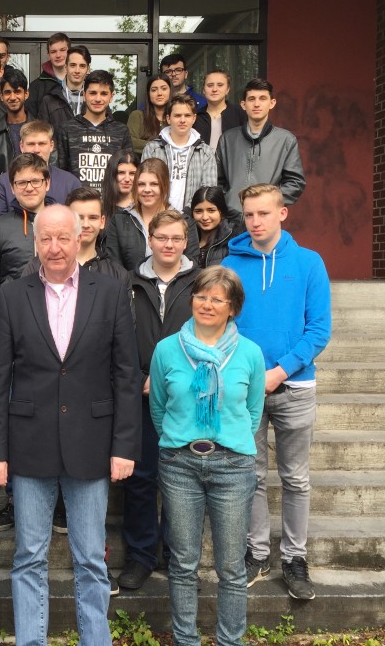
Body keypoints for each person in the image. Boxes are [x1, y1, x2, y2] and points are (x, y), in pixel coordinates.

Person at [0, 203, 141, 646]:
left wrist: (124, 446)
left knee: (91, 558)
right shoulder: (13, 294)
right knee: (28, 556)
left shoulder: (109, 292)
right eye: (45, 239)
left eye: (63, 238)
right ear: (36, 243)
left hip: (92, 446)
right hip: (29, 446)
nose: (54, 247)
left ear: (80, 238)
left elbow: (125, 375)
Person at [221, 184, 331, 601]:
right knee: (250, 476)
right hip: (246, 389)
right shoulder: (231, 264)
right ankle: (258, 553)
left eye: (264, 214)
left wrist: (281, 370)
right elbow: (223, 324)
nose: (255, 222)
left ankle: (295, 558)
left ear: (282, 214)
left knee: (296, 478)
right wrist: (248, 374)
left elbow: (318, 328)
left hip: (296, 387)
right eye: (249, 215)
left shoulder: (308, 263)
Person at [149, 266, 266, 646]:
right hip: (179, 464)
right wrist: (179, 437)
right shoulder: (167, 350)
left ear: (232, 307)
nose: (207, 304)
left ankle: (230, 640)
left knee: (231, 567)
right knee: (183, 564)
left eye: (218, 298)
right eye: (201, 296)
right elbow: (159, 409)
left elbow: (252, 412)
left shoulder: (250, 354)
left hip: (233, 467)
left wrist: (227, 440)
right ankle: (186, 640)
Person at [120, 209, 200, 590]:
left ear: (186, 242)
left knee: (182, 480)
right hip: (140, 398)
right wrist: (137, 378)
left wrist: (179, 381)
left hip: (187, 400)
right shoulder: (128, 283)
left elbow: (213, 338)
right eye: (162, 237)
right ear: (150, 239)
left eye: (176, 239)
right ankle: (140, 556)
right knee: (140, 479)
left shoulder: (200, 282)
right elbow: (115, 339)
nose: (169, 245)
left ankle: (178, 555)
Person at [216, 78, 306, 212]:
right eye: (251, 99)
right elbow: (216, 180)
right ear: (243, 104)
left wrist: (268, 203)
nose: (256, 104)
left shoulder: (286, 140)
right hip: (231, 220)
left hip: (267, 217)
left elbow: (295, 183)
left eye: (262, 98)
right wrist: (229, 201)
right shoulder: (227, 139)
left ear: (272, 103)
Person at [0, 153, 53, 291]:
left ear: (47, 183)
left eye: (36, 181)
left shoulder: (62, 223)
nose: (29, 188)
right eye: (22, 183)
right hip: (14, 308)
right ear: (12, 188)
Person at [0, 121, 82, 222]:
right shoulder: (4, 182)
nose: (36, 150)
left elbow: (78, 223)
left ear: (51, 145)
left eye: (42, 143)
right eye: (31, 144)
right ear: (21, 146)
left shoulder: (70, 183)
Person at [57, 70, 132, 191]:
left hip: (111, 204)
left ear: (111, 96)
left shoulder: (121, 130)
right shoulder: (67, 129)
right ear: (84, 95)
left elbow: (128, 170)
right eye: (92, 93)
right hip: (76, 202)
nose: (98, 99)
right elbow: (60, 172)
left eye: (104, 93)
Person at [141, 94, 217, 210]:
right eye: (177, 115)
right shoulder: (152, 149)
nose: (182, 120)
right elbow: (146, 187)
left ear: (194, 118)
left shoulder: (205, 152)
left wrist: (188, 214)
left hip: (192, 219)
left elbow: (208, 191)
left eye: (187, 115)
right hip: (158, 216)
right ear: (168, 118)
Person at [104, 157, 170, 270]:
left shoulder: (183, 220)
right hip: (130, 286)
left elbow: (189, 266)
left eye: (154, 184)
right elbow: (114, 267)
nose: (147, 189)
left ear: (165, 186)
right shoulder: (120, 221)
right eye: (141, 184)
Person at [0, 70, 30, 177]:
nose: (12, 97)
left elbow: (51, 170)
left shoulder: (41, 131)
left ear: (26, 94)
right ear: (1, 97)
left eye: (17, 91)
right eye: (8, 92)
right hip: (4, 192)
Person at [38, 45, 91, 137]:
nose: (77, 70)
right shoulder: (49, 100)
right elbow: (42, 135)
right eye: (73, 65)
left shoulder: (96, 99)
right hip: (57, 151)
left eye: (82, 66)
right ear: (66, 67)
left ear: (88, 69)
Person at [188, 186, 244, 268]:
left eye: (211, 210)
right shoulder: (186, 240)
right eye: (198, 211)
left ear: (221, 212)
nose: (205, 217)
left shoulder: (232, 241)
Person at [195, 70, 246, 149]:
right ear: (203, 90)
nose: (214, 89)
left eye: (220, 85)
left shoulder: (239, 113)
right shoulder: (195, 116)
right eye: (210, 85)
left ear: (227, 89)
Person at [26, 32, 71, 118]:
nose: (58, 55)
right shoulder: (36, 87)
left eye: (62, 50)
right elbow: (31, 119)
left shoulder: (81, 83)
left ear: (69, 52)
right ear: (48, 56)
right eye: (53, 52)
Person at [127, 73, 172, 154]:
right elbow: (130, 141)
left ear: (170, 91)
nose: (159, 93)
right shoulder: (138, 116)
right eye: (154, 90)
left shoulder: (176, 118)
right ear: (148, 93)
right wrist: (159, 146)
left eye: (164, 89)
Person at [100, 149, 139, 222]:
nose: (127, 179)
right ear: (112, 174)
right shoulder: (100, 208)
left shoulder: (143, 207)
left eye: (132, 173)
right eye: (121, 173)